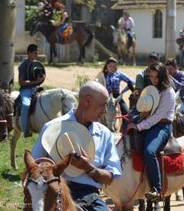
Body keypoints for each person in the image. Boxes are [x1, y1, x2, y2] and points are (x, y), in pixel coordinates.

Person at [31, 81, 122, 211]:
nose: (105, 110)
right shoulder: (52, 128)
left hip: (90, 196)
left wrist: (89, 168)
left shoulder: (105, 134)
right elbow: (34, 167)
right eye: (103, 105)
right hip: (54, 193)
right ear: (87, 101)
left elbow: (110, 178)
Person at [127, 62, 175, 201]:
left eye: (156, 77)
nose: (154, 80)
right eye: (152, 77)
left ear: (162, 76)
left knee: (149, 151)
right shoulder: (150, 90)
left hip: (162, 127)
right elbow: (140, 109)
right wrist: (136, 118)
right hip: (149, 124)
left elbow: (157, 117)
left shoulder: (168, 92)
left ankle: (157, 189)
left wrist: (139, 126)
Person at [96, 57, 135, 130]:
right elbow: (96, 83)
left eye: (114, 66)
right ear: (106, 66)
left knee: (126, 113)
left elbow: (132, 82)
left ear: (116, 67)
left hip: (117, 97)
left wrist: (123, 92)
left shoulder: (119, 74)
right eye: (110, 66)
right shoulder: (102, 75)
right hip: (106, 97)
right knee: (98, 112)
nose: (112, 68)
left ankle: (125, 130)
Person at [18, 44, 46, 138]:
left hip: (38, 88)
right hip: (26, 90)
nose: (37, 55)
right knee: (26, 105)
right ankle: (25, 130)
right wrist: (35, 81)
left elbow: (41, 78)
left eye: (37, 53)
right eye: (35, 53)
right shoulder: (23, 65)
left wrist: (42, 78)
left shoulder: (37, 64)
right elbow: (21, 82)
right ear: (28, 53)